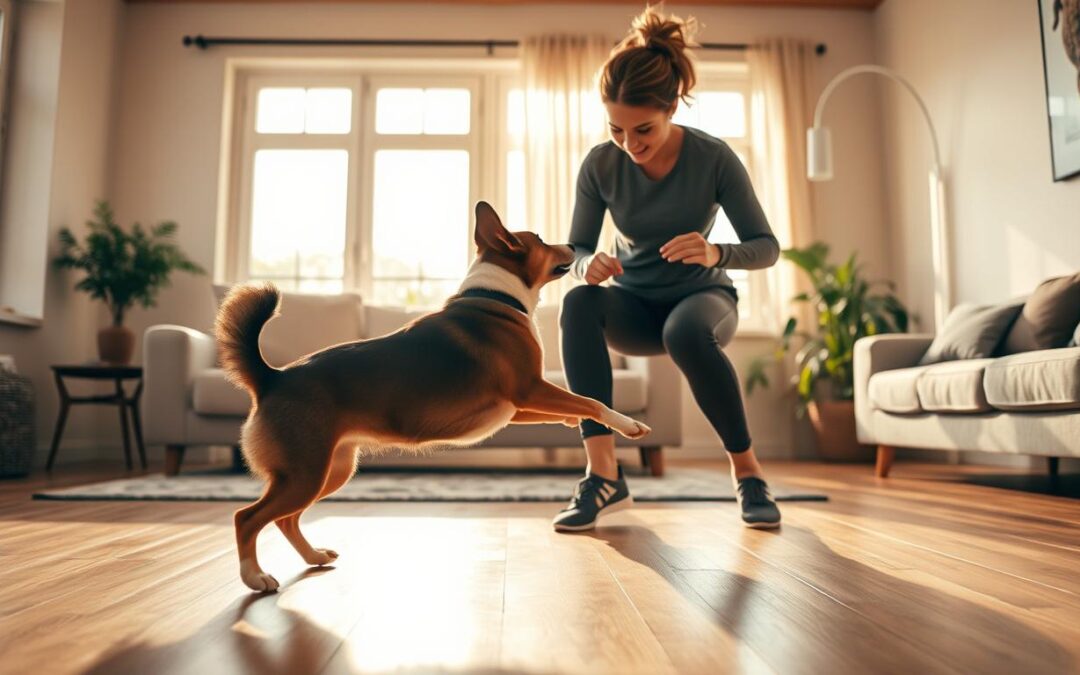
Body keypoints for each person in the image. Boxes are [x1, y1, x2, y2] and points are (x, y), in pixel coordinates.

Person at [553, 6, 782, 532]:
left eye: (643, 130)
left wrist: (716, 252)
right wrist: (588, 266)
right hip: (632, 305)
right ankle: (604, 476)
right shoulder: (600, 165)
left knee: (685, 331)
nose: (630, 145)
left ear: (673, 105)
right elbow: (576, 250)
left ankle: (748, 476)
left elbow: (767, 247)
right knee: (577, 303)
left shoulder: (713, 158)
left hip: (702, 301)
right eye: (616, 129)